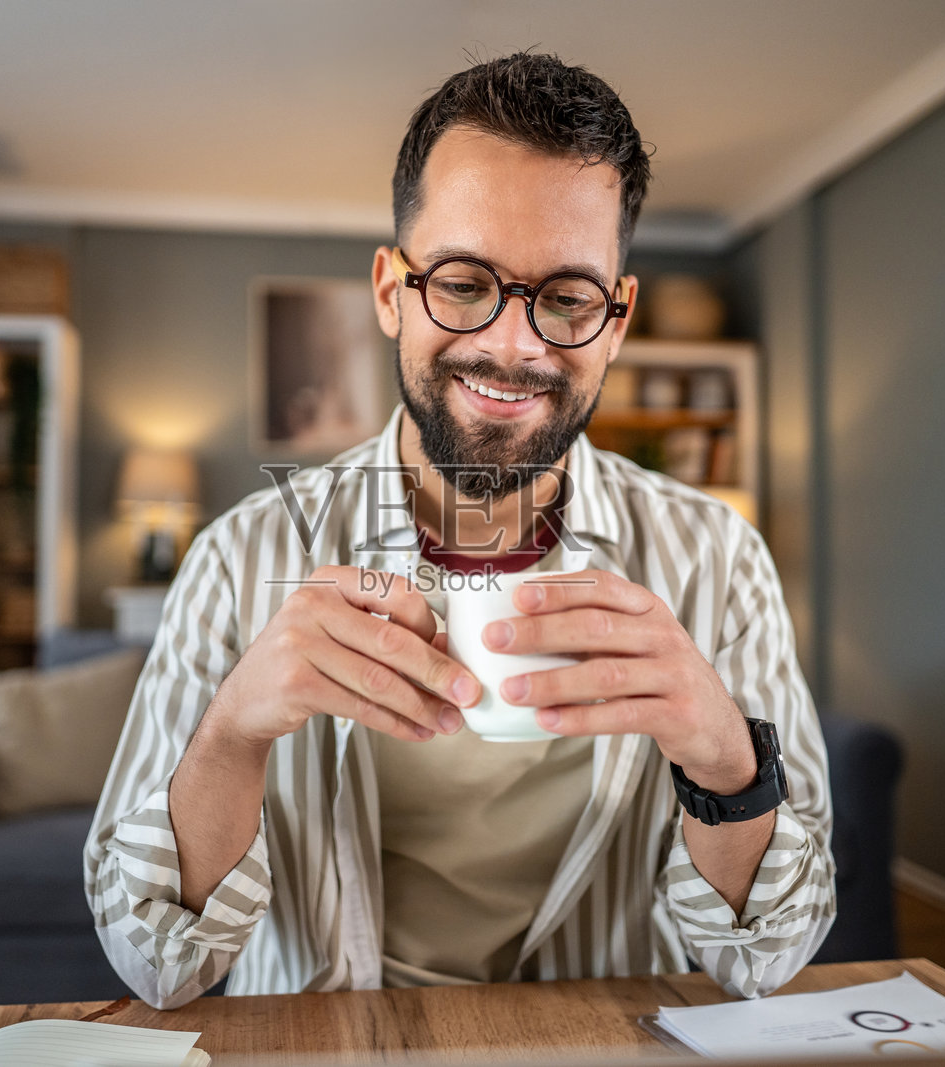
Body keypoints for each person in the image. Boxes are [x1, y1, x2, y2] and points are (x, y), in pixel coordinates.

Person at [85, 52, 834, 1010]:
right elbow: (156, 962)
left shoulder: (717, 562)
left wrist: (727, 762)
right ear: (394, 290)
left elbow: (769, 959)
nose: (513, 345)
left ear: (615, 320)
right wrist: (232, 733)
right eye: (465, 282)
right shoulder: (243, 558)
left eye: (565, 297)